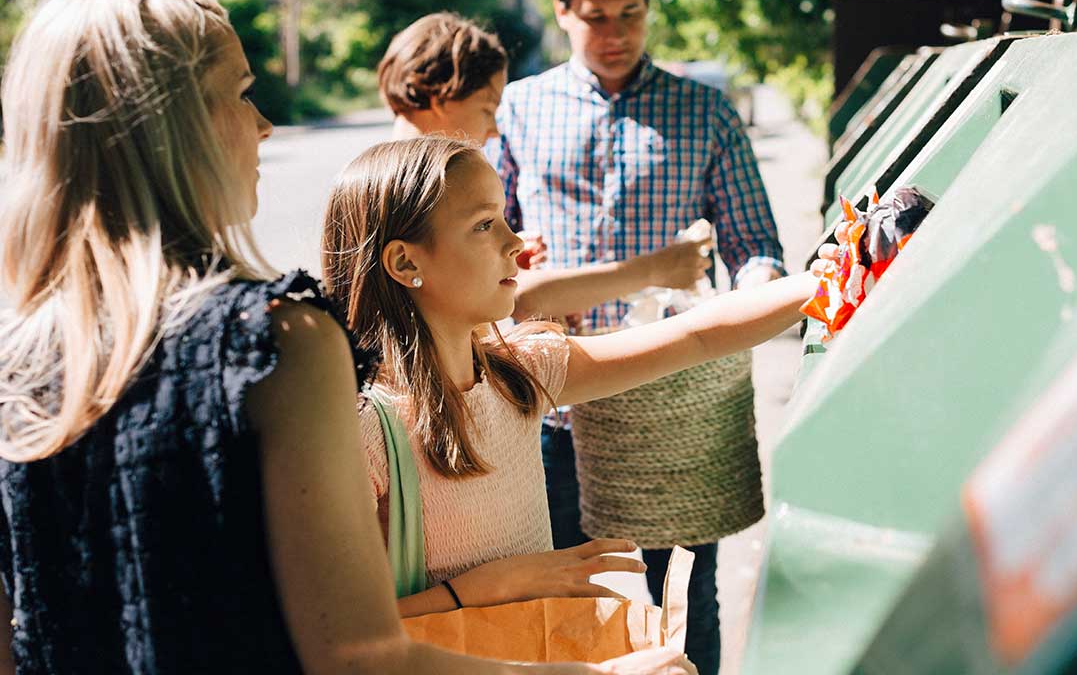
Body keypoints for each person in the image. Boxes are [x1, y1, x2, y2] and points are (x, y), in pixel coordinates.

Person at [0, 0, 693, 675]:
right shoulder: (272, 343)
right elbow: (359, 657)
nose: (264, 125)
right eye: (241, 93)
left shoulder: (17, 362)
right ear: (167, 130)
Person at [320, 135, 827, 648]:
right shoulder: (363, 429)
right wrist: (485, 589)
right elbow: (333, 634)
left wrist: (831, 278)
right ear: (406, 264)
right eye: (483, 225)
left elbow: (695, 335)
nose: (514, 241)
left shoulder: (519, 374)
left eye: (503, 217)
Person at [487, 0, 786, 670]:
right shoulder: (520, 108)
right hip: (552, 405)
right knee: (572, 595)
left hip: (671, 405)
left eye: (630, 14)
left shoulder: (705, 112)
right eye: (595, 16)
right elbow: (489, 238)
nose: (615, 32)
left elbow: (755, 245)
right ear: (562, 13)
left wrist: (755, 293)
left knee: (689, 591)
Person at [377, 11, 712, 323]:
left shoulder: (387, 177)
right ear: (440, 94)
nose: (494, 129)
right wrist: (654, 270)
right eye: (486, 109)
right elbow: (525, 299)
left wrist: (503, 265)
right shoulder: (424, 191)